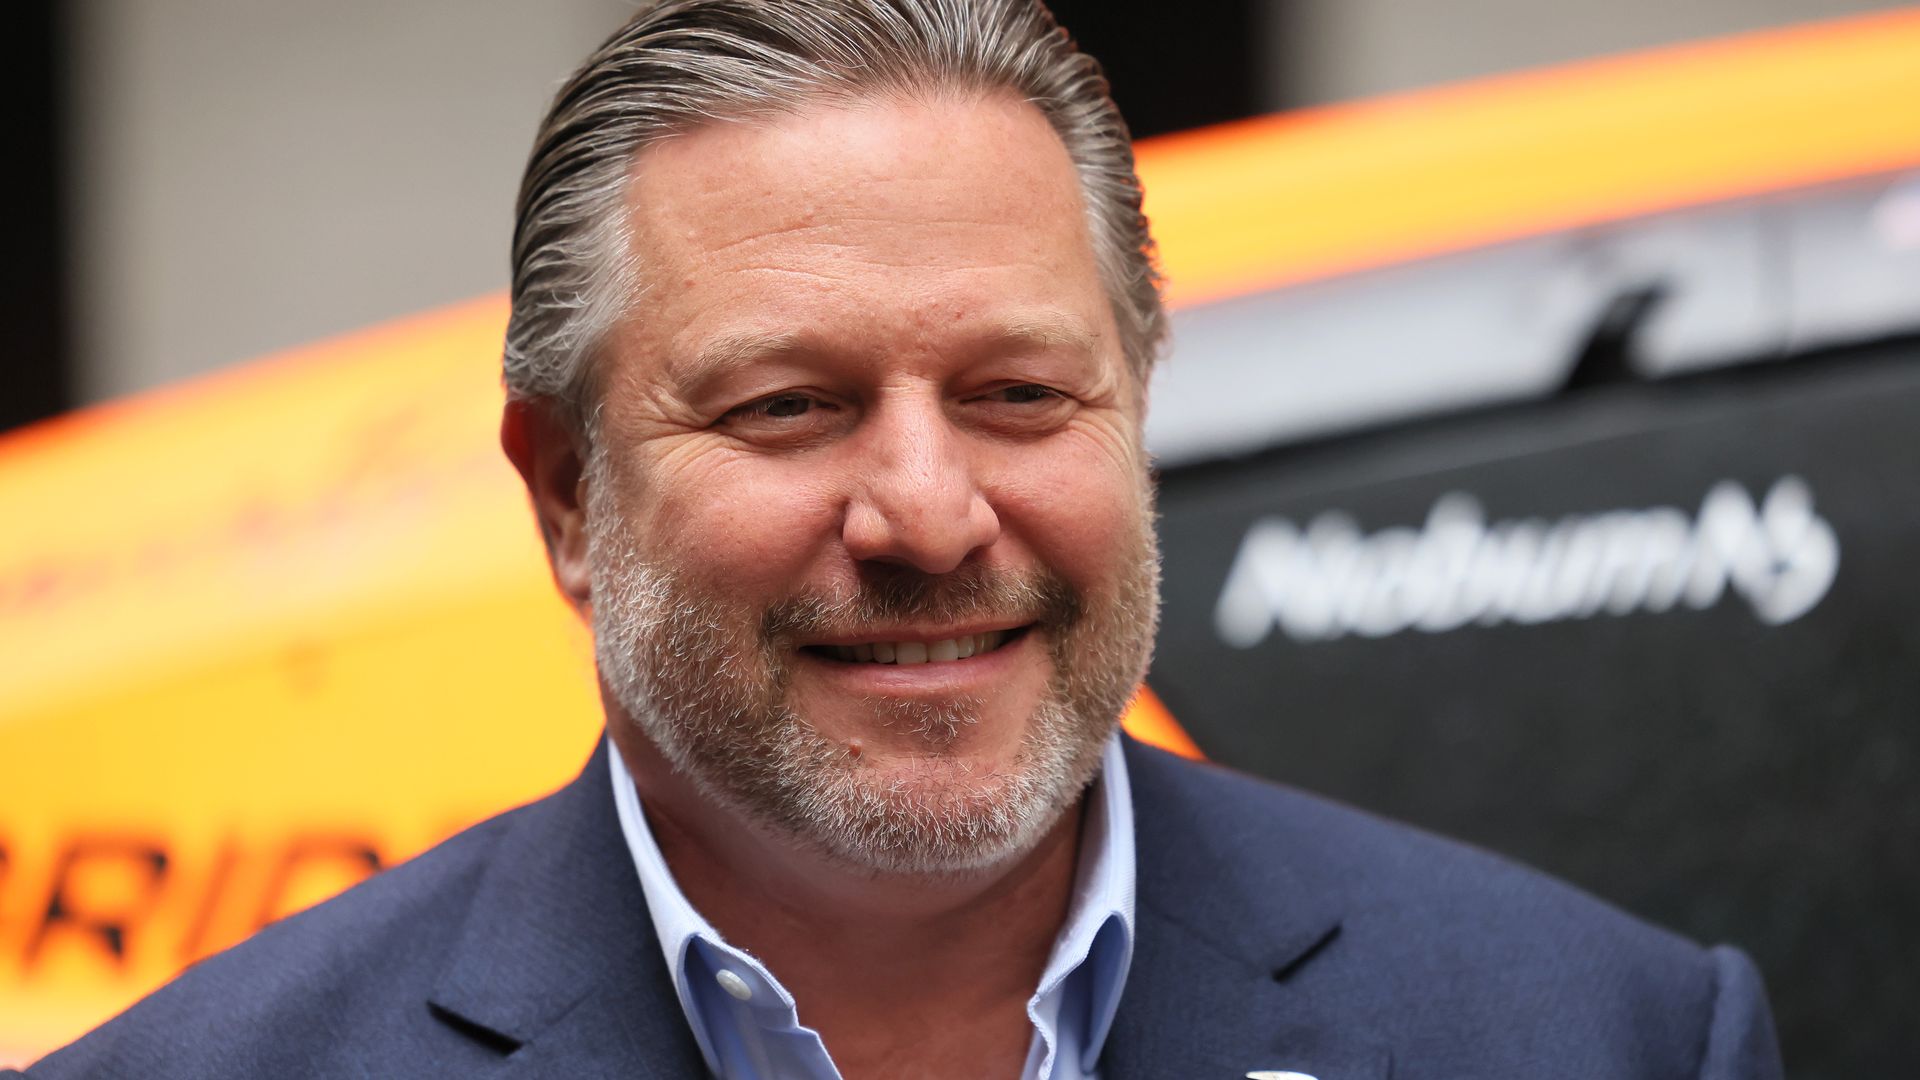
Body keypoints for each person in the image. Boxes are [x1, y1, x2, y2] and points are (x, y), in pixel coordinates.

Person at [17, 2, 1784, 1077]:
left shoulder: (1600, 1039)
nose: (930, 514)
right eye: (787, 406)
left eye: (1021, 391)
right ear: (566, 495)